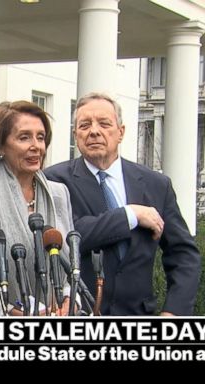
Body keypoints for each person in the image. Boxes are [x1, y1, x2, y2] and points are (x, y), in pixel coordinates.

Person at [44, 92, 201, 316]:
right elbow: (68, 236)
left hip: (139, 321)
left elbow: (184, 254)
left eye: (104, 124)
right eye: (84, 125)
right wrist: (130, 215)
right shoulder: (54, 181)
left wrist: (174, 312)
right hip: (80, 319)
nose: (94, 131)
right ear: (75, 134)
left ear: (121, 132)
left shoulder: (155, 184)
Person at [0, 100, 75, 316]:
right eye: (24, 137)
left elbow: (70, 266)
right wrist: (10, 311)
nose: (36, 145)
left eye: (41, 137)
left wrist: (69, 300)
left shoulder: (59, 194)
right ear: (0, 146)